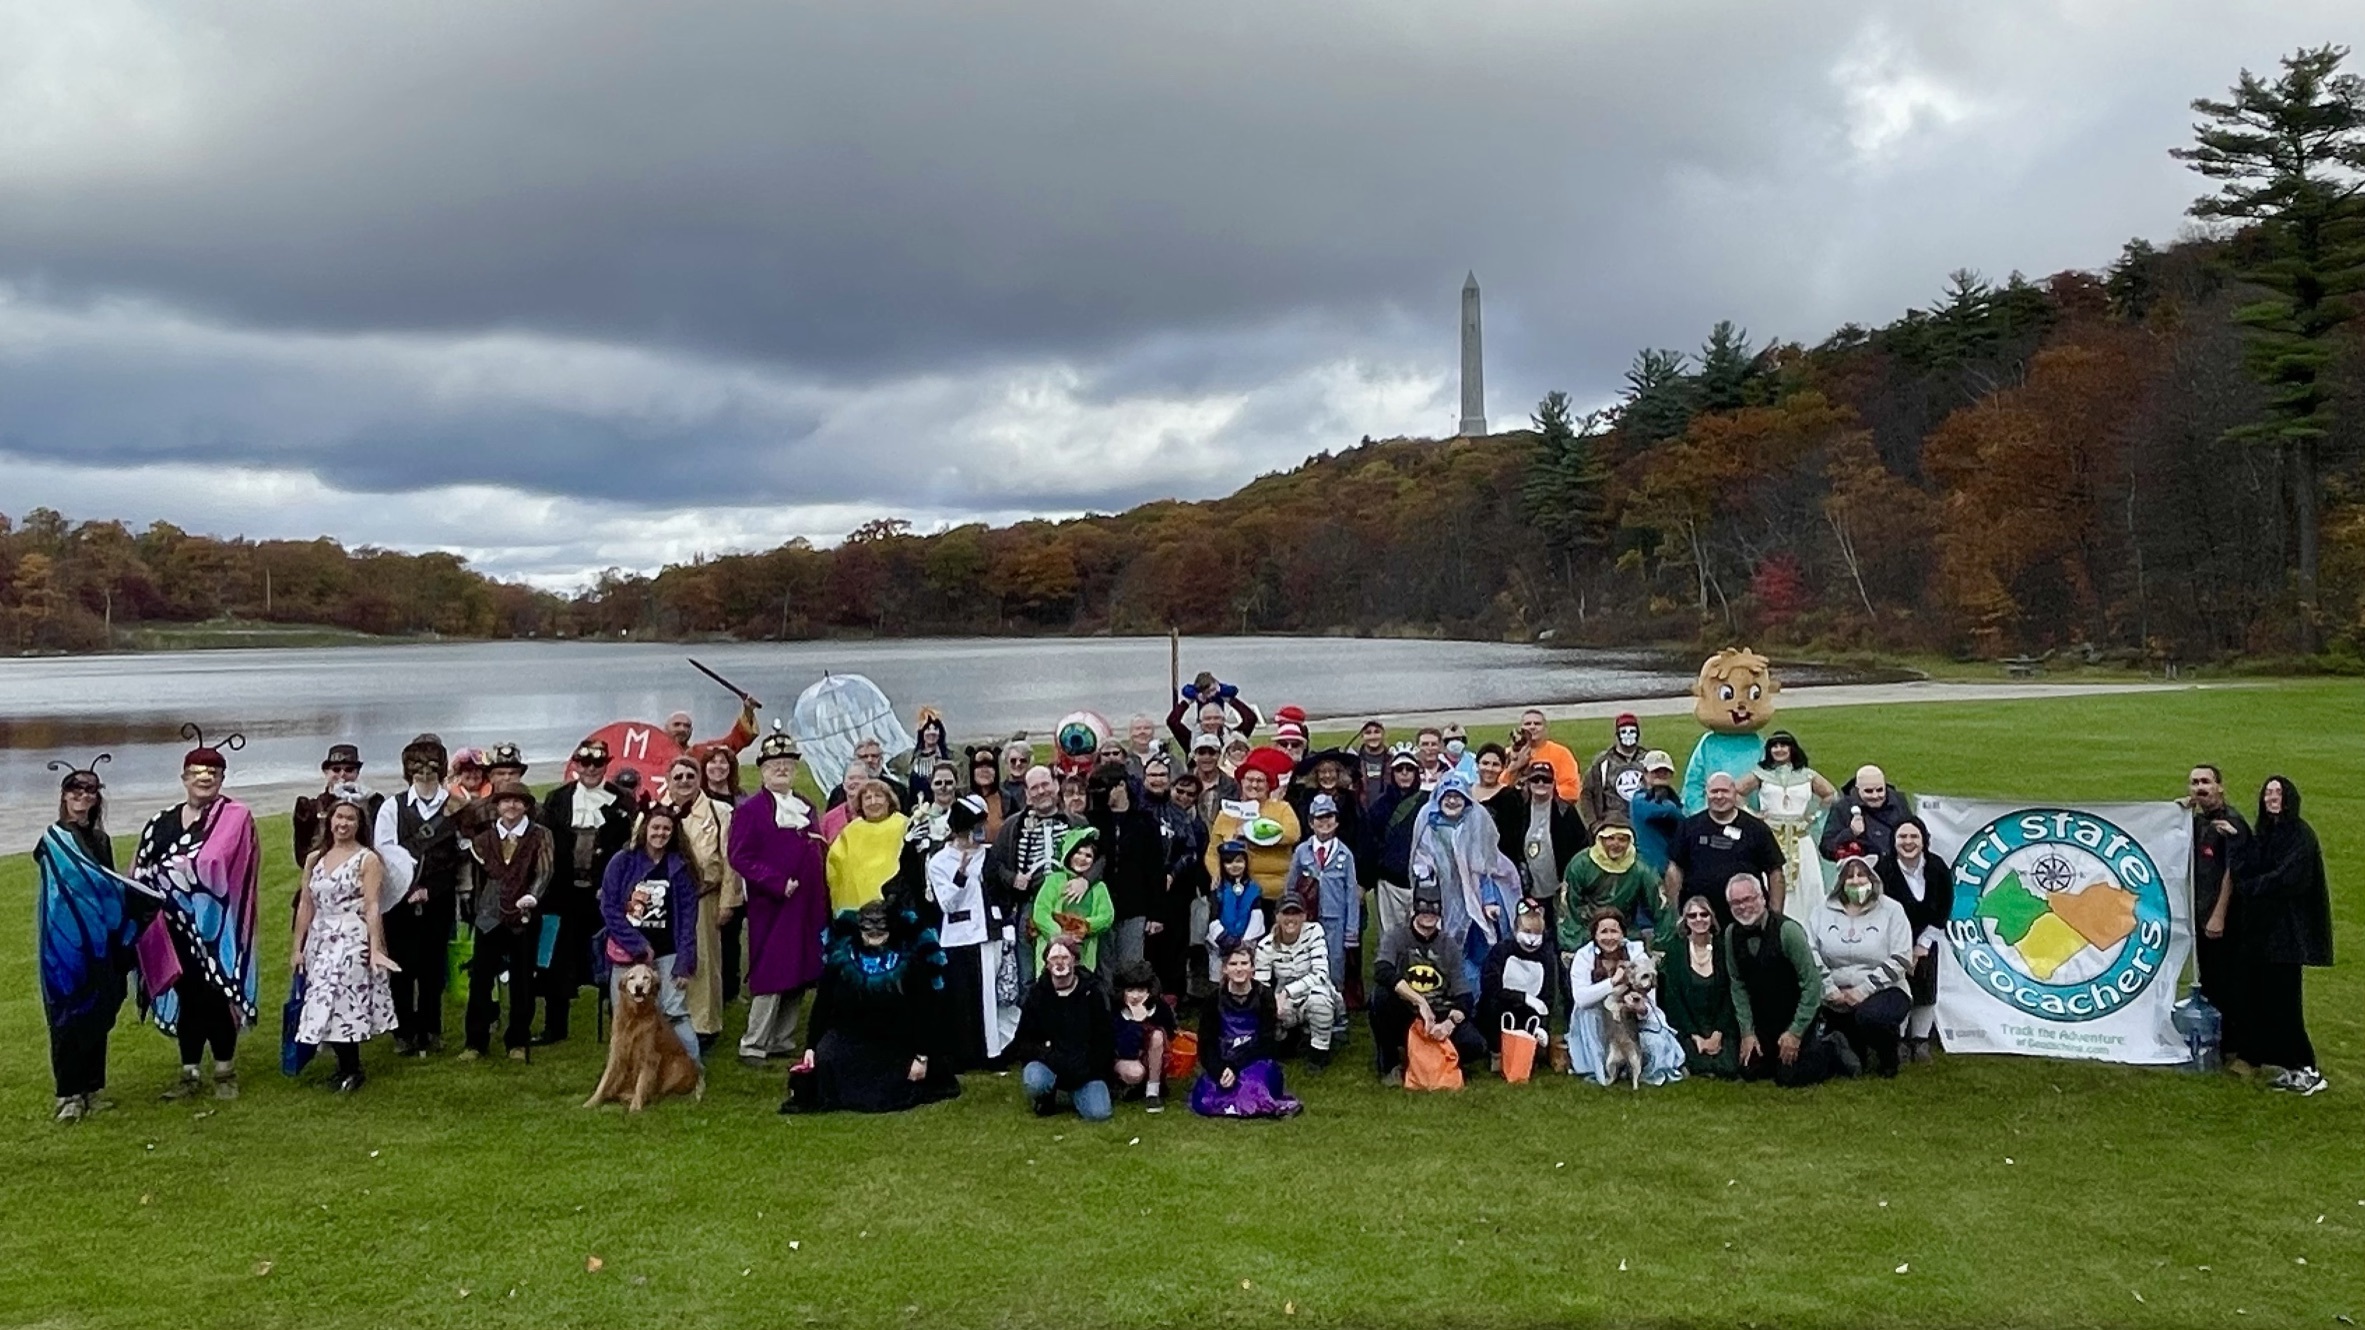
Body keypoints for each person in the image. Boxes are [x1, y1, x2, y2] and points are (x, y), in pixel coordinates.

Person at [134, 728, 262, 1102]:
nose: (204, 780)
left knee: (216, 996)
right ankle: (189, 1071)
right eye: (196, 773)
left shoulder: (234, 817)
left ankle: (224, 1070)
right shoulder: (160, 822)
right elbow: (141, 868)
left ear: (221, 779)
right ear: (184, 777)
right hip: (168, 928)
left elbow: (216, 863)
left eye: (213, 774)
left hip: (215, 928)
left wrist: (171, 872)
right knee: (187, 996)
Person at [788, 901, 960, 1114]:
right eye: (869, 933)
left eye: (881, 933)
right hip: (850, 1036)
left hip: (897, 1040)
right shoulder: (841, 960)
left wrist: (921, 1057)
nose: (875, 938)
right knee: (827, 1059)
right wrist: (811, 1047)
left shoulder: (909, 962)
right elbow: (822, 1005)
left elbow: (925, 1011)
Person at [35, 757, 134, 1121]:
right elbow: (63, 888)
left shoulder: (101, 840)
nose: (83, 795)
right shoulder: (53, 839)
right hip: (65, 942)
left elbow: (109, 886)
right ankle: (68, 1094)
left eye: (90, 790)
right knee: (67, 1015)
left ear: (97, 797)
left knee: (99, 1009)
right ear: (64, 795)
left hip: (101, 938)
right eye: (76, 789)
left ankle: (92, 1087)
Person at [726, 730, 830, 1067]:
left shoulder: (806, 805)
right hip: (773, 905)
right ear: (763, 770)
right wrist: (776, 882)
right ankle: (754, 1043)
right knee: (771, 972)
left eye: (787, 763)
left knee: (801, 970)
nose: (782, 769)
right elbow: (740, 856)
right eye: (775, 764)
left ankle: (782, 1038)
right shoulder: (751, 810)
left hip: (807, 904)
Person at [291, 789, 400, 1092]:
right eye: (339, 817)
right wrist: (297, 948)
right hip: (320, 937)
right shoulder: (315, 859)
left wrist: (375, 947)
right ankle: (342, 1066)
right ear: (329, 820)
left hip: (351, 935)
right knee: (321, 997)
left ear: (359, 824)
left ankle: (352, 1069)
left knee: (342, 999)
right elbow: (306, 904)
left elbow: (372, 905)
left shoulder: (368, 859)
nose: (343, 824)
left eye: (351, 819)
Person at [2234, 775, 2332, 1095]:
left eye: (2278, 793)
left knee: (2287, 1004)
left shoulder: (2301, 835)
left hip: (2287, 935)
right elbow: (2249, 863)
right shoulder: (2265, 834)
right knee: (2268, 1001)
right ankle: (2289, 1067)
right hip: (2264, 935)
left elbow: (2290, 878)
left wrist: (2253, 887)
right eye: (2268, 793)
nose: (2272, 798)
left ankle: (2306, 1068)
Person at [535, 739, 634, 1046]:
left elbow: (628, 847)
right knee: (556, 959)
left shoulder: (622, 800)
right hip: (561, 893)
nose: (591, 769)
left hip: (604, 894)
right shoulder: (556, 799)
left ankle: (621, 1024)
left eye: (598, 763)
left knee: (614, 956)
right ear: (576, 764)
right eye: (585, 763)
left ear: (606, 765)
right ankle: (555, 1027)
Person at [375, 734, 464, 1057]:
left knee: (433, 967)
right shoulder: (392, 807)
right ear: (407, 771)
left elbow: (463, 851)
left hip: (440, 897)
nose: (424, 773)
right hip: (399, 899)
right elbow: (385, 853)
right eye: (417, 767)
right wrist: (410, 889)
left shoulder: (456, 806)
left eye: (431, 766)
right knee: (401, 967)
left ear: (441, 769)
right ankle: (403, 1031)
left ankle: (431, 1029)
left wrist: (434, 888)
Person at [599, 805, 703, 1065]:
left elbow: (688, 919)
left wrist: (685, 962)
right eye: (656, 827)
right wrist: (637, 944)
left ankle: (692, 1069)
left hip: (668, 953)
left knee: (674, 1012)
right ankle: (625, 1071)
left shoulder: (680, 867)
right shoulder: (623, 861)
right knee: (625, 1014)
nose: (660, 833)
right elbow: (609, 908)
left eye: (667, 829)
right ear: (645, 829)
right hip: (628, 953)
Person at [460, 779, 551, 1062]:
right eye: (505, 801)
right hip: (489, 915)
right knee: (480, 980)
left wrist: (533, 896)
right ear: (497, 806)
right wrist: (475, 911)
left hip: (524, 915)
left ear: (526, 806)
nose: (511, 806)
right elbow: (476, 880)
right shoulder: (483, 840)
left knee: (523, 981)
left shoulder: (541, 835)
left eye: (517, 801)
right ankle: (475, 1042)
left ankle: (517, 1041)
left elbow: (545, 871)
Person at [925, 795, 1017, 1070]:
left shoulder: (989, 855)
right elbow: (947, 904)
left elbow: (1001, 895)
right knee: (959, 996)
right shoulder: (939, 861)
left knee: (988, 996)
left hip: (988, 935)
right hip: (956, 938)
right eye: (972, 829)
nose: (977, 834)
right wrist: (961, 876)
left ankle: (991, 1052)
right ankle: (961, 1054)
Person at [1409, 770, 1521, 989]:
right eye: (1448, 796)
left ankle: (1475, 997)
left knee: (1478, 951)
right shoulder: (1428, 822)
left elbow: (1485, 866)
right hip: (1441, 899)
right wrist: (1425, 878)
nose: (1452, 801)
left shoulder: (1476, 821)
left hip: (1474, 899)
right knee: (1444, 950)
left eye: (1457, 796)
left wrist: (1489, 900)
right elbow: (1421, 857)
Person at [658, 755, 740, 1051]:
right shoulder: (654, 812)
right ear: (668, 782)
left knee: (704, 963)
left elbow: (731, 860)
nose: (684, 782)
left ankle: (705, 1026)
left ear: (699, 779)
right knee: (665, 960)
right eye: (678, 777)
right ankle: (667, 1021)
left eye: (690, 776)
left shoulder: (720, 812)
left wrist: (728, 902)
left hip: (704, 898)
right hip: (664, 903)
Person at [1370, 885, 1486, 1083]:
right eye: (1423, 906)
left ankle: (1432, 1059)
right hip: (1406, 1010)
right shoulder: (1396, 936)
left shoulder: (1448, 945)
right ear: (1413, 908)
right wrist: (1420, 1002)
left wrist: (1448, 1024)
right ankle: (1390, 1064)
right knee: (1380, 997)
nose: (1429, 913)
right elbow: (1382, 970)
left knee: (1475, 1045)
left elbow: (1464, 996)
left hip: (1439, 1011)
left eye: (1435, 907)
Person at [1809, 855, 1912, 1077]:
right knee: (1850, 1065)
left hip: (1885, 989)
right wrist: (1828, 989)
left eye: (1862, 875)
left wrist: (1863, 990)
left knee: (1871, 1017)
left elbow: (1902, 957)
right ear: (1840, 881)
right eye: (1850, 876)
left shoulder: (1892, 910)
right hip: (1835, 994)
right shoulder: (1820, 911)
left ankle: (1889, 1057)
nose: (1856, 881)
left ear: (1872, 878)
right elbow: (1810, 952)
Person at [1726, 873, 1832, 1087]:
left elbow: (1812, 984)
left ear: (1762, 898)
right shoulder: (1731, 934)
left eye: (1748, 899)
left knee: (1788, 1078)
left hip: (1795, 1018)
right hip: (1762, 1022)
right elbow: (1737, 984)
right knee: (1749, 1070)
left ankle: (1832, 1047)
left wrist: (1796, 1032)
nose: (1743, 907)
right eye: (1736, 902)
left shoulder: (1788, 931)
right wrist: (1747, 1032)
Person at [1563, 907, 1686, 1086]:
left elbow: (1650, 995)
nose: (1609, 937)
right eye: (1604, 932)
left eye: (1614, 931)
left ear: (1622, 933)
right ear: (1595, 935)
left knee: (1654, 1044)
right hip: (1599, 1020)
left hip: (1635, 1019)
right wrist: (1612, 982)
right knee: (1590, 1014)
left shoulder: (1636, 952)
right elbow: (1581, 999)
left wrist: (1640, 1008)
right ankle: (1603, 1066)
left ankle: (1636, 1067)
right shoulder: (1584, 956)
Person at [1875, 817, 1954, 1063]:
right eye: (1902, 837)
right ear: (1894, 840)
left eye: (1913, 837)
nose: (1908, 842)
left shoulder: (1937, 867)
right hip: (1892, 938)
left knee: (1925, 986)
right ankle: (1898, 1039)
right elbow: (1879, 909)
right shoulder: (1884, 869)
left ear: (1923, 840)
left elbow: (1944, 906)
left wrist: (1922, 946)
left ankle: (1920, 1040)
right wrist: (1902, 950)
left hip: (1927, 936)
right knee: (1898, 986)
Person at [1192, 942, 1303, 1117]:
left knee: (1251, 1089)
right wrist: (1220, 1069)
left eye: (1244, 963)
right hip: (1224, 1060)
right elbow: (1206, 1044)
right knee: (1205, 1098)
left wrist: (1234, 1067)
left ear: (1252, 968)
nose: (1239, 969)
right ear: (1225, 969)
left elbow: (1267, 1043)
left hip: (1256, 1061)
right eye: (1233, 964)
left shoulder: (1265, 996)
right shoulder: (1214, 1000)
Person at [1012, 934, 1115, 1120]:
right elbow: (1024, 1041)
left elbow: (1104, 1039)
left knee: (1099, 1114)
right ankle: (1045, 1096)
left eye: (1065, 957)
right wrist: (1049, 1056)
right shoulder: (1036, 995)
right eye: (1054, 958)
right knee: (1035, 1080)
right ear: (1046, 964)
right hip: (1049, 1063)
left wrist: (1088, 1067)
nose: (1059, 963)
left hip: (1085, 1070)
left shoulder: (1093, 993)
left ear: (1075, 960)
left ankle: (1079, 1093)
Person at [2185, 763, 2251, 1054]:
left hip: (2224, 917)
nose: (2200, 787)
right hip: (2202, 914)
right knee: (2210, 980)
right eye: (2195, 783)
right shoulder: (2199, 822)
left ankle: (2237, 1047)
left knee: (2229, 982)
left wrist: (2218, 915)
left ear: (2220, 787)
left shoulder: (2231, 824)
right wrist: (2175, 811)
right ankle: (2214, 1042)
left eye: (2206, 782)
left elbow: (2232, 872)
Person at [1666, 772, 1786, 926]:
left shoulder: (1757, 829)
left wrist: (1775, 917)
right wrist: (1675, 914)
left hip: (1746, 918)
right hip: (1699, 920)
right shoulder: (1688, 827)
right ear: (1706, 794)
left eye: (1725, 791)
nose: (1719, 796)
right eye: (1714, 791)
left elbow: (1776, 873)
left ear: (1735, 793)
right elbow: (1674, 870)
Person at [1284, 793, 1360, 1015]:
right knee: (1305, 962)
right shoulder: (1302, 851)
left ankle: (1335, 1011)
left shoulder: (1344, 854)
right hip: (1308, 919)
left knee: (1334, 963)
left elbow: (1351, 893)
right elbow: (1290, 887)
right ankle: (1305, 1010)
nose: (1324, 823)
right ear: (1310, 822)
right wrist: (1289, 917)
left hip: (1335, 920)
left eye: (1329, 817)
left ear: (1336, 821)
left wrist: (1351, 930)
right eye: (1319, 818)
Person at [1738, 730, 1834, 903]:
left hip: (1800, 837)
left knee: (1808, 882)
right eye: (1774, 746)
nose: (1779, 749)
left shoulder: (1807, 775)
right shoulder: (1761, 774)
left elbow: (1830, 794)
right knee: (1772, 878)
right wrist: (1752, 815)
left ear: (1792, 749)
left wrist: (1815, 816)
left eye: (1783, 745)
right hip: (1772, 836)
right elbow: (1736, 792)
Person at [1654, 895, 1740, 1078]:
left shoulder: (1724, 947)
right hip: (1689, 1026)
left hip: (1720, 1025)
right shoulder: (1675, 950)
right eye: (1692, 916)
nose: (1699, 919)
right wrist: (1695, 1036)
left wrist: (1717, 1034)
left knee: (1728, 1067)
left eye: (1704, 914)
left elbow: (1731, 994)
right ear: (1685, 920)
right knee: (1696, 1062)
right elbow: (1673, 998)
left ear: (1711, 917)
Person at [1089, 766, 1163, 974]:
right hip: (1100, 905)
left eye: (1106, 790)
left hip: (1135, 906)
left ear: (1121, 786)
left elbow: (1155, 868)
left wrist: (1156, 913)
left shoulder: (1145, 821)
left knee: (1131, 967)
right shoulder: (1093, 820)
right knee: (1102, 967)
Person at [1145, 756, 1205, 999]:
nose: (1157, 780)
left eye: (1162, 775)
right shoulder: (1138, 808)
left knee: (1174, 944)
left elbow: (1191, 851)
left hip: (1175, 889)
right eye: (1153, 775)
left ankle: (1172, 997)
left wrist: (1173, 872)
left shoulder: (1179, 814)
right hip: (1144, 887)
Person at [1254, 898, 1340, 1066]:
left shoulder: (1315, 931)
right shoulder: (1265, 946)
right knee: (1269, 1010)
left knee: (1319, 1002)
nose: (1291, 918)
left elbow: (1321, 974)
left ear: (1304, 916)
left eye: (1296, 913)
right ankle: (1290, 1037)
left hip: (1316, 989)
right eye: (1286, 913)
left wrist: (1287, 992)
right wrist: (1273, 1003)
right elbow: (1261, 984)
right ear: (1277, 916)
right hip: (1284, 996)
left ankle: (1319, 1051)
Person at [1495, 760, 1589, 909]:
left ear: (1553, 783)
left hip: (1559, 889)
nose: (1541, 783)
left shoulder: (1565, 811)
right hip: (1526, 890)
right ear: (1528, 783)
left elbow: (1582, 847)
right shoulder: (1518, 810)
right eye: (1535, 779)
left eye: (1546, 780)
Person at [1202, 761, 1301, 898]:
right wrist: (1216, 874)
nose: (1254, 785)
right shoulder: (1227, 813)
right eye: (1249, 780)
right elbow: (1212, 853)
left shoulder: (1282, 808)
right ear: (1242, 782)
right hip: (1234, 889)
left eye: (1260, 781)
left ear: (1268, 786)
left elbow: (1292, 834)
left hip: (1274, 888)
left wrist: (1254, 834)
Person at [1477, 897, 1556, 1064]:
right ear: (1515, 930)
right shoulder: (1501, 951)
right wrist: (1523, 998)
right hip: (1501, 1006)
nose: (1532, 939)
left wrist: (1543, 1022)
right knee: (1492, 1006)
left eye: (1537, 934)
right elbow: (1491, 987)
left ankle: (1529, 1047)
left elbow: (1548, 995)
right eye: (1527, 932)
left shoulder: (1547, 957)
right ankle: (1496, 1050)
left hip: (1529, 1012)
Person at [699, 742, 749, 1003]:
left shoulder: (742, 799)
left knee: (731, 936)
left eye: (723, 762)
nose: (717, 767)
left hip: (738, 875)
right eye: (712, 761)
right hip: (708, 879)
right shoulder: (698, 799)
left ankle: (730, 989)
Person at [1560, 816, 1659, 943]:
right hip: (1586, 930)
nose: (1616, 844)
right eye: (1610, 838)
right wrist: (1572, 943)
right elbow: (1569, 908)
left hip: (1626, 931)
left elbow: (1661, 906)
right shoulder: (1580, 864)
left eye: (1622, 839)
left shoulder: (1640, 868)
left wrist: (1662, 944)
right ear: (1601, 839)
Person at [1030, 826, 1115, 970]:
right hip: (1051, 952)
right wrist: (1059, 935)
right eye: (1078, 853)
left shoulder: (1099, 887)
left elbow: (1106, 916)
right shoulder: (1054, 880)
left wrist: (1080, 928)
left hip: (1084, 954)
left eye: (1088, 856)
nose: (1082, 858)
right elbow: (1041, 912)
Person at [291, 744, 378, 874]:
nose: (342, 774)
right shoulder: (310, 809)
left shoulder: (373, 803)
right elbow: (302, 855)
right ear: (326, 772)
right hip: (323, 872)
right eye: (336, 769)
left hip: (364, 871)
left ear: (357, 772)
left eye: (349, 769)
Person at [1368, 744, 1425, 940]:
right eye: (1400, 769)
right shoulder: (1380, 806)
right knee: (1391, 936)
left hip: (1421, 882)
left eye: (1410, 769)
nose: (1405, 774)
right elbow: (1371, 843)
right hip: (1389, 882)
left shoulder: (1427, 803)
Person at [826, 781, 909, 913]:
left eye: (878, 796)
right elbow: (834, 866)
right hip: (858, 909)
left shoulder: (904, 826)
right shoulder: (850, 832)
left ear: (889, 800)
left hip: (899, 905)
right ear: (861, 804)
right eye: (867, 798)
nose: (873, 802)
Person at [1111, 961, 1176, 1111]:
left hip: (1158, 1058)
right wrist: (1136, 1022)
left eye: (1140, 990)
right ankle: (1125, 1085)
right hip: (1125, 1059)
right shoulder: (1115, 1011)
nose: (1135, 996)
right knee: (1135, 1073)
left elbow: (1171, 1034)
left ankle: (1153, 1091)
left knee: (1157, 1035)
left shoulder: (1160, 1008)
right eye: (1130, 990)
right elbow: (1125, 1050)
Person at [1205, 840, 1271, 984]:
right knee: (1220, 984)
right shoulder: (1217, 889)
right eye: (1229, 862)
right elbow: (1213, 918)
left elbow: (1257, 918)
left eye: (1239, 861)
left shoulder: (1254, 888)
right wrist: (1225, 940)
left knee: (1246, 980)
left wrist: (1243, 944)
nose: (1234, 865)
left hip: (1247, 947)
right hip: (1220, 946)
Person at [1819, 764, 1911, 865]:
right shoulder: (1842, 808)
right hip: (1861, 871)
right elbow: (1826, 848)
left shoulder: (1899, 802)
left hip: (1897, 867)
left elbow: (1915, 834)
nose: (1875, 795)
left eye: (1880, 790)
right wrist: (1850, 833)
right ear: (1858, 789)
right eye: (1868, 791)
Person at [1580, 713, 1649, 831]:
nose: (1628, 735)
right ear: (1617, 734)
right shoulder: (1603, 762)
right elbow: (1587, 793)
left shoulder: (1649, 759)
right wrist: (1594, 824)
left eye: (1632, 731)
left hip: (1644, 824)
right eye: (1623, 731)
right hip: (1612, 825)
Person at [1164, 671, 1262, 750]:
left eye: (1217, 718)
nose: (1212, 722)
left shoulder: (1233, 738)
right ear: (1200, 721)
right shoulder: (1191, 739)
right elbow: (1172, 721)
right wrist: (1188, 701)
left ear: (1223, 720)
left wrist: (1230, 700)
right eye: (1207, 718)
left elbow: (1250, 718)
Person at [1507, 708, 1583, 804]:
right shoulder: (1508, 754)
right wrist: (1515, 766)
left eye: (1537, 724)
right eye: (1527, 724)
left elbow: (1572, 790)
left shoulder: (1561, 753)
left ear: (1545, 728)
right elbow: (1496, 789)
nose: (1532, 727)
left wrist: (1540, 795)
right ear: (1520, 728)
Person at [1628, 751, 1685, 875]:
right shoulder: (1639, 799)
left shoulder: (1675, 800)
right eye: (1656, 771)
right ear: (1645, 773)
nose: (1661, 775)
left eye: (1665, 771)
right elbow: (1662, 812)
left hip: (1674, 868)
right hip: (1648, 869)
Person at [965, 745, 1012, 836]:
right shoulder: (965, 801)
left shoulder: (1007, 800)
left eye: (989, 766)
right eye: (979, 766)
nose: (984, 770)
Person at [1351, 720, 1392, 807]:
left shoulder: (1392, 760)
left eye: (1377, 732)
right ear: (1362, 736)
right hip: (1361, 810)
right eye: (1368, 733)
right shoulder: (1354, 760)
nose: (1373, 736)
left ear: (1383, 735)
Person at [1471, 743, 1511, 807]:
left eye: (1495, 764)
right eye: (1485, 763)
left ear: (1503, 767)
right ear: (1477, 765)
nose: (1490, 769)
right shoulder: (1466, 791)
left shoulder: (1510, 796)